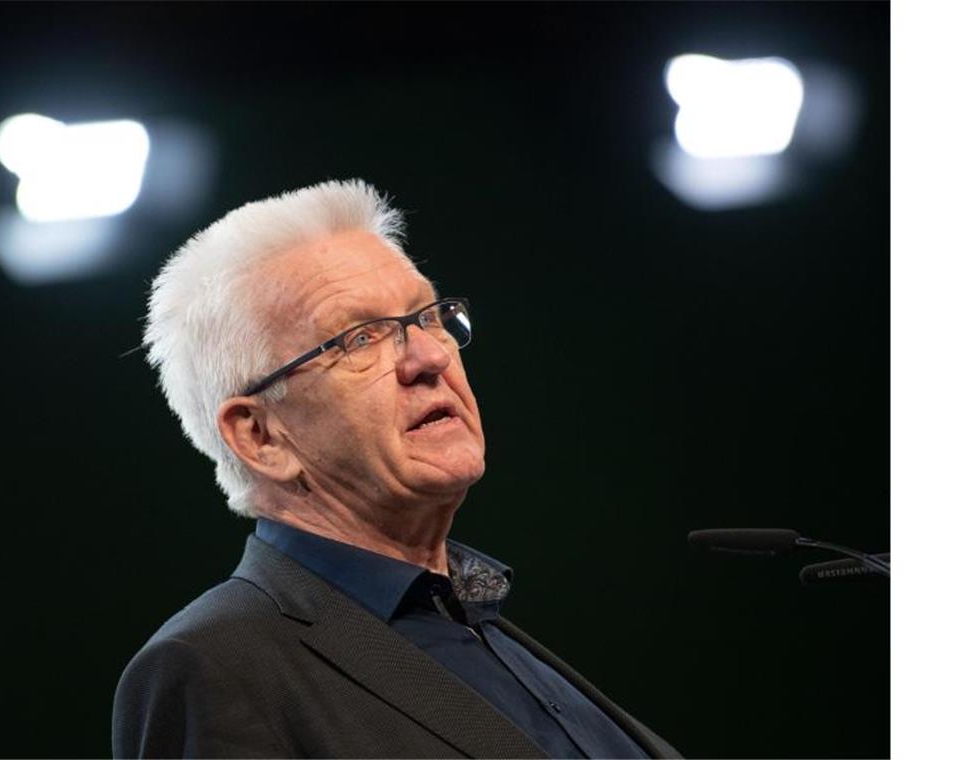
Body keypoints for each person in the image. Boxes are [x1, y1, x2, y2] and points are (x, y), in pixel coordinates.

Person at [113, 180, 679, 759]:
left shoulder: (479, 626)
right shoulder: (218, 666)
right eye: (359, 338)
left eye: (428, 317)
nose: (431, 357)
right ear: (260, 437)